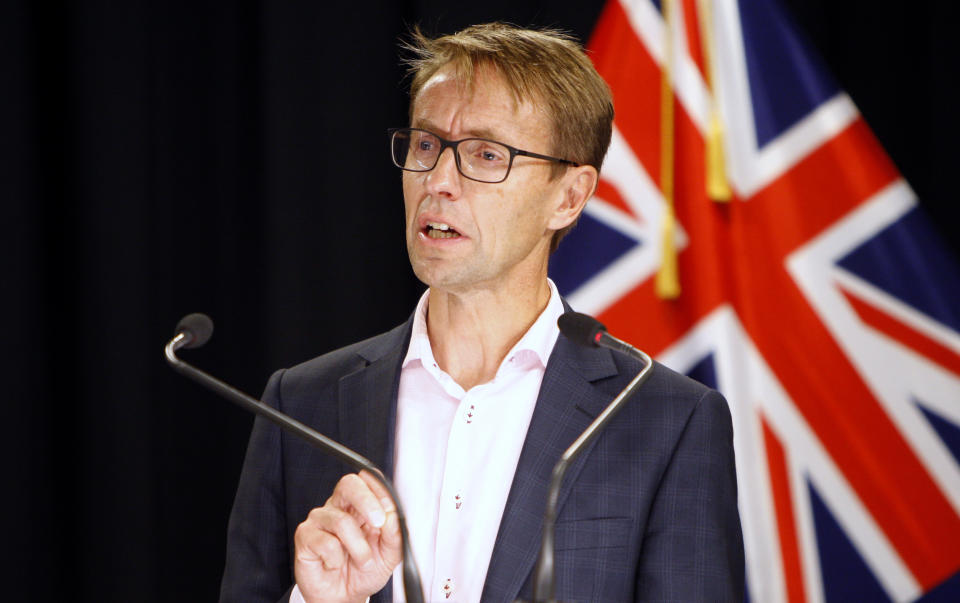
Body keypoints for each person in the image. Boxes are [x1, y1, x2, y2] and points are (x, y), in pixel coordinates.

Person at [220, 23, 744, 603]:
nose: (438, 182)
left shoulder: (664, 421)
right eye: (425, 145)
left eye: (486, 154)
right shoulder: (303, 404)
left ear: (568, 196)